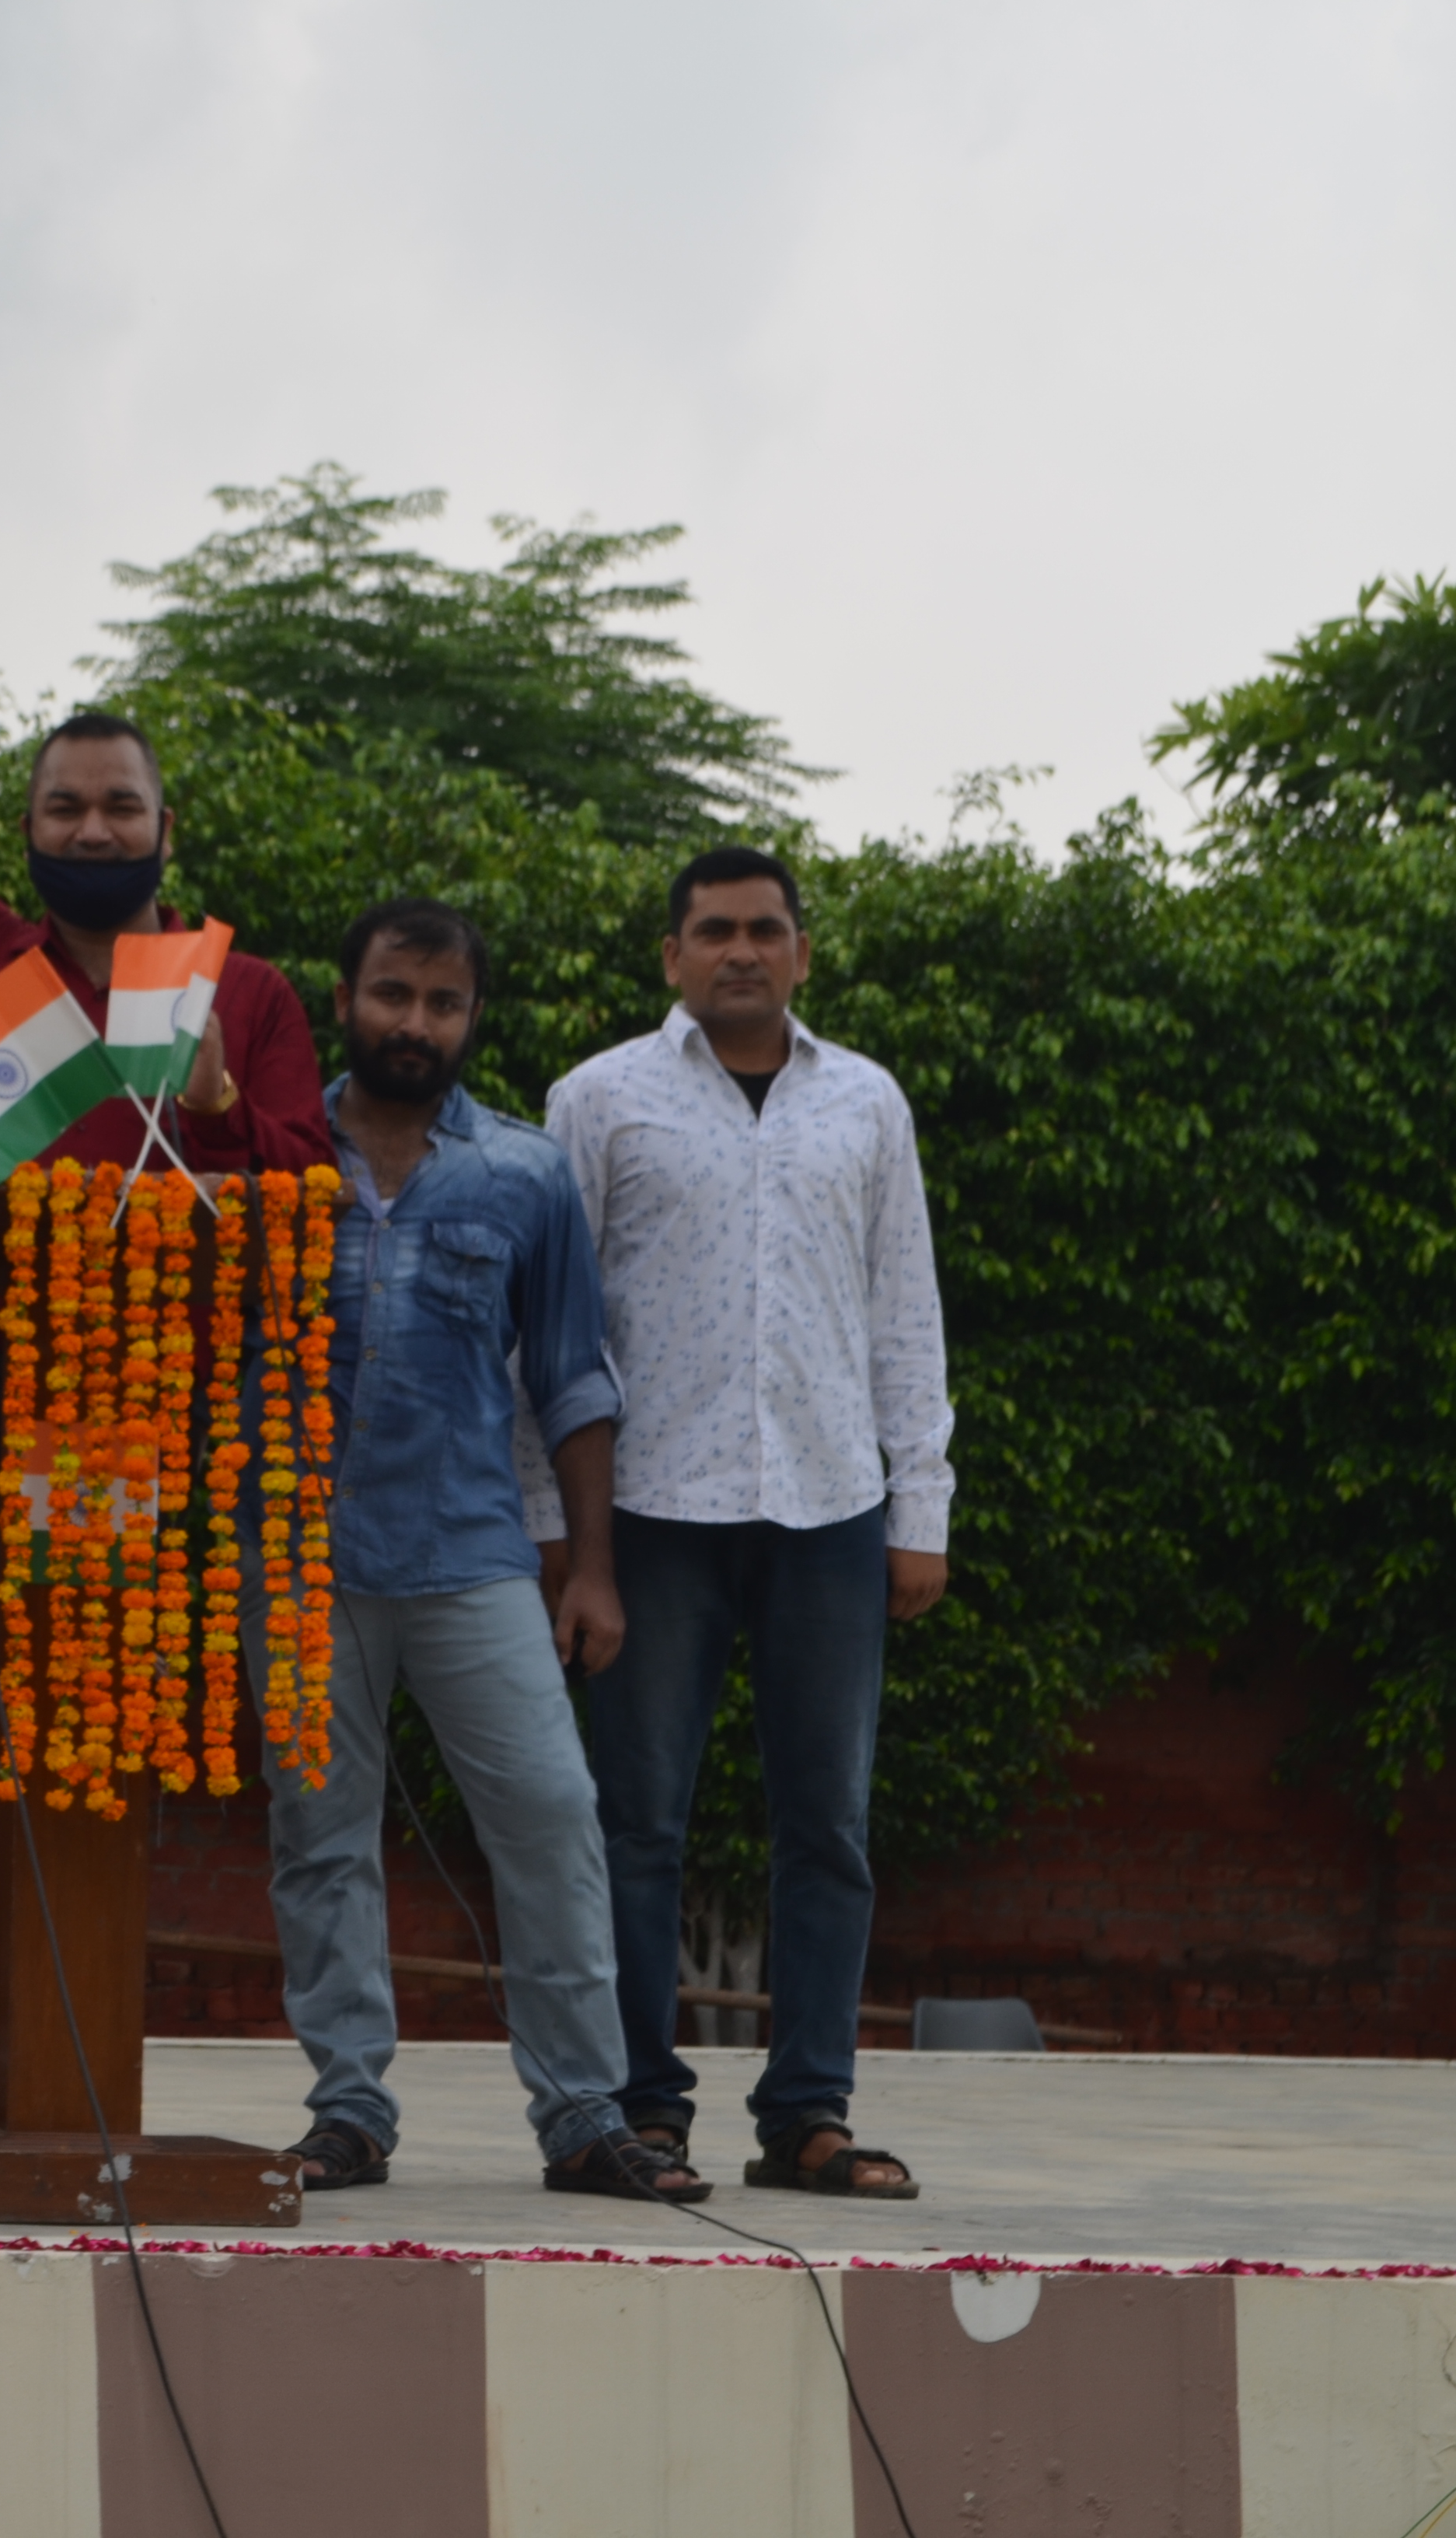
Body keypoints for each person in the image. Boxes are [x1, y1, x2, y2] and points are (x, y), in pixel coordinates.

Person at [0, 461, 334, 2140]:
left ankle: (84, 2035)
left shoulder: (239, 994)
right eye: (64, 809)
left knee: (89, 1715)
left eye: (119, 806)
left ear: (166, 828)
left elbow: (310, 1196)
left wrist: (227, 1126)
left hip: (125, 1413)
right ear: (29, 833)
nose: (93, 829)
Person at [268, 899, 705, 2204]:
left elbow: (573, 1378)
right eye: (393, 994)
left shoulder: (522, 1172)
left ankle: (584, 2116)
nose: (415, 1022)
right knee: (320, 1838)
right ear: (344, 1001)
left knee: (556, 1818)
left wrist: (594, 1570)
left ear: (471, 1019)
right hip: (297, 1561)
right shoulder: (272, 1160)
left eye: (443, 1003)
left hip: (471, 1552)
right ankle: (348, 2112)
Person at [536, 845, 951, 2201]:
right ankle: (642, 2110)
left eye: (766, 930)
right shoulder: (600, 1099)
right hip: (650, 1512)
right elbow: (552, 1328)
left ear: (801, 953)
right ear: (672, 955)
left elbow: (904, 1310)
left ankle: (808, 2116)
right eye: (713, 930)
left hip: (830, 1506)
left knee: (828, 1826)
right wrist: (556, 1526)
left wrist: (921, 1502)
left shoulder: (867, 1102)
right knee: (635, 1826)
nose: (741, 951)